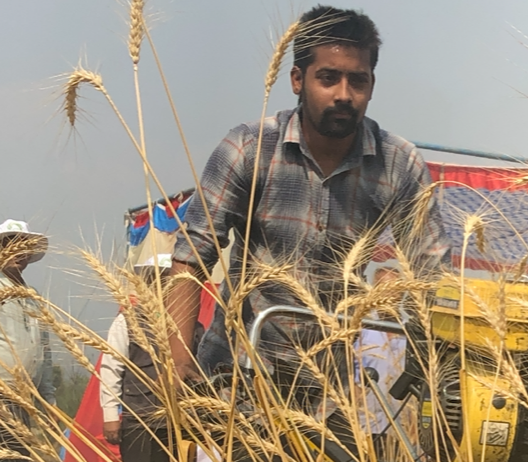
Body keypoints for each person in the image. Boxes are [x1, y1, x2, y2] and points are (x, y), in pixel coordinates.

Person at [165, 4, 450, 457]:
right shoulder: (249, 148)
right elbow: (190, 256)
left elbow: (431, 272)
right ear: (298, 79)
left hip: (329, 393)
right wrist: (178, 359)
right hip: (237, 380)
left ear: (372, 87)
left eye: (357, 81)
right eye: (328, 77)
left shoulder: (399, 165)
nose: (343, 94)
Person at [99, 254, 174, 462]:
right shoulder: (127, 321)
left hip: (179, 422)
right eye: (156, 279)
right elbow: (111, 368)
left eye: (168, 279)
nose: (162, 285)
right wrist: (111, 416)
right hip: (139, 419)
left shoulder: (191, 325)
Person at [0, 219, 53, 461]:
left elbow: (45, 353)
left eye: (24, 245)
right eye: (11, 243)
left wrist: (48, 402)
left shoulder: (34, 298)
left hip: (25, 396)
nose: (18, 251)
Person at [355, 266, 407, 458]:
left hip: (400, 425)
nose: (389, 295)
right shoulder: (361, 328)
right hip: (367, 423)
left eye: (394, 289)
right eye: (383, 288)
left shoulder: (410, 334)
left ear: (402, 293)